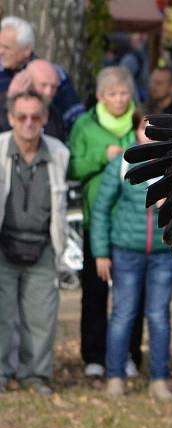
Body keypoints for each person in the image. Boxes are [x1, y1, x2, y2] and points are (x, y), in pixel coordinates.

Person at [90, 109, 172, 400]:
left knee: (159, 316)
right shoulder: (122, 163)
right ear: (136, 132)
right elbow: (101, 209)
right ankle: (115, 376)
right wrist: (101, 253)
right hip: (126, 252)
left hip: (164, 253)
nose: (151, 136)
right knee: (122, 314)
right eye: (146, 129)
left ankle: (159, 379)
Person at [69, 66, 143, 380]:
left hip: (131, 224)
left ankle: (130, 353)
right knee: (95, 292)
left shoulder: (140, 124)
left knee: (131, 295)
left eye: (124, 93)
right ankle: (94, 355)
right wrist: (103, 156)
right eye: (112, 94)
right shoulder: (85, 125)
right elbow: (73, 165)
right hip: (96, 223)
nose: (118, 99)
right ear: (100, 96)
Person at [0, 89, 69, 396]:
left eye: (35, 117)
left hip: (42, 245)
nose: (29, 123)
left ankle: (36, 376)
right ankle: (1, 373)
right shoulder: (0, 148)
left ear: (44, 119)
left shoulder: (58, 152)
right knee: (2, 316)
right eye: (22, 117)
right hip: (4, 246)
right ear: (10, 118)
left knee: (41, 317)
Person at [0, 16, 85, 132]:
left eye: (7, 48)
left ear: (27, 49)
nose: (1, 52)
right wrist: (8, 98)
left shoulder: (53, 74)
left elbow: (76, 119)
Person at [1, 59, 66, 141]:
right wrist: (10, 102)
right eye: (43, 85)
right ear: (26, 83)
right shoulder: (3, 104)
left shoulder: (54, 113)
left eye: (53, 87)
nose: (49, 92)